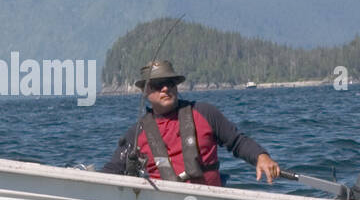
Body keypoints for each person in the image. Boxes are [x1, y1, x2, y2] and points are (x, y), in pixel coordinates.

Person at [99, 59, 279, 185]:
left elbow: (238, 142)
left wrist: (261, 157)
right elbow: (113, 169)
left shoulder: (205, 113)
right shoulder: (136, 133)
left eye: (170, 83)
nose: (165, 88)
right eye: (157, 84)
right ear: (145, 91)